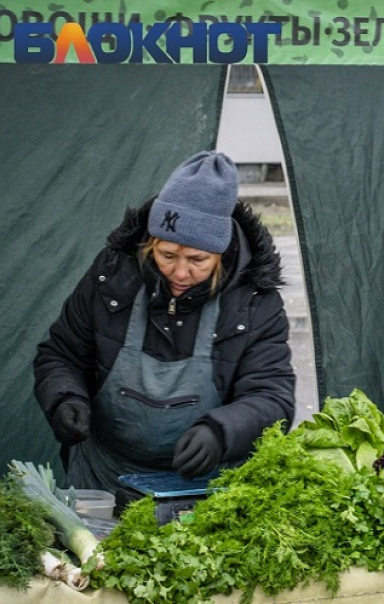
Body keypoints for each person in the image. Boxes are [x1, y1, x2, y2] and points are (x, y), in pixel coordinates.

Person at [33, 151, 296, 494]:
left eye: (198, 260)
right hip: (102, 479)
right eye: (167, 255)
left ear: (222, 250)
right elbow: (60, 354)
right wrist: (64, 398)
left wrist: (221, 432)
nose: (180, 272)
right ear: (150, 242)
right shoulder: (112, 276)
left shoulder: (253, 301)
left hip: (205, 490)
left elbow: (273, 396)